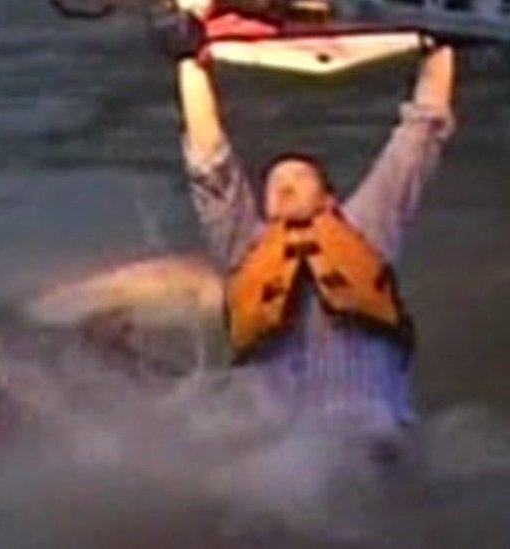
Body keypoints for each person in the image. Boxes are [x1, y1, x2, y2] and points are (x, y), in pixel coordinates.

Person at [167, 10, 456, 434]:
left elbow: (420, 134)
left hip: (374, 434)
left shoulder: (365, 229)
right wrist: (188, 61)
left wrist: (440, 41)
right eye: (275, 181)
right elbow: (210, 163)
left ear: (329, 199)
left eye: (299, 177)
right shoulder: (246, 247)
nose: (283, 185)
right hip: (283, 451)